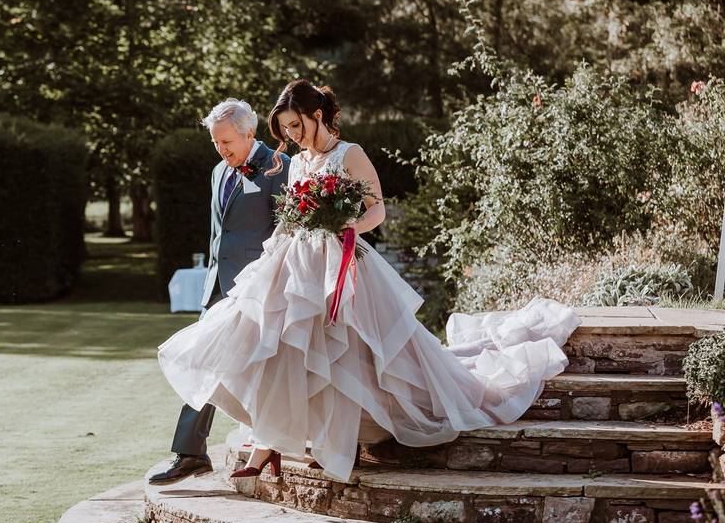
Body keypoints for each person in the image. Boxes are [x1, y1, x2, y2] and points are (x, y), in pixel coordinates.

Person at [157, 80, 580, 483]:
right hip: (296, 264)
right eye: (284, 127)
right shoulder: (299, 161)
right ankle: (275, 440)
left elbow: (376, 211)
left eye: (295, 125)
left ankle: (340, 441)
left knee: (347, 352)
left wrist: (345, 230)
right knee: (284, 350)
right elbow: (288, 216)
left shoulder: (350, 153)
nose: (291, 134)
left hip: (342, 261)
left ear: (316, 115)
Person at [148, 99, 289, 485]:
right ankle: (191, 453)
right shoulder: (217, 172)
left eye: (226, 142)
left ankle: (269, 440)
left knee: (265, 370)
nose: (221, 150)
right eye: (215, 143)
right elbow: (219, 234)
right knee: (201, 363)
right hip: (217, 288)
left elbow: (288, 235)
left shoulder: (281, 169)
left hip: (257, 289)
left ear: (249, 134)